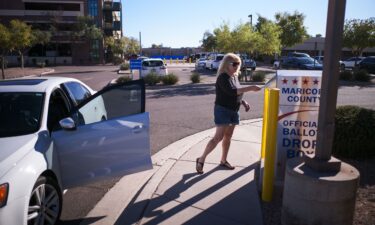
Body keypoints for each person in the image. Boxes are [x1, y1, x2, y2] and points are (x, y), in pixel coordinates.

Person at [196, 53, 261, 174]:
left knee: (228, 137)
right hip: (223, 110)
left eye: (238, 64)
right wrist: (251, 87)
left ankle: (223, 160)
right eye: (234, 64)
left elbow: (237, 93)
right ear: (227, 64)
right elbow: (231, 92)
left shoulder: (234, 77)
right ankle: (201, 159)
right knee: (218, 137)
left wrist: (243, 102)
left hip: (233, 111)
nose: (237, 66)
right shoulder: (223, 77)